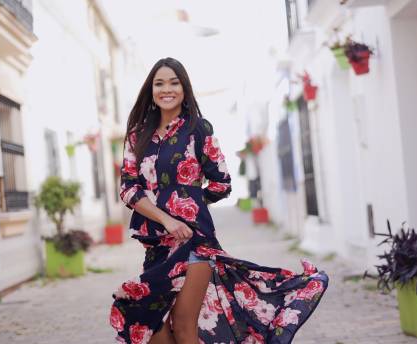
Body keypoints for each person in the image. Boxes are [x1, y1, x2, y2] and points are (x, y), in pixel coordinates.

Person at [110, 57, 328, 344]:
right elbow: (128, 188)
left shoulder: (198, 130)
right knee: (151, 328)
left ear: (184, 89)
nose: (167, 89)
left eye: (174, 82)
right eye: (159, 83)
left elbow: (221, 182)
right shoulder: (138, 135)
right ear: (150, 89)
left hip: (195, 242)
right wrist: (167, 217)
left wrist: (190, 205)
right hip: (157, 245)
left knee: (185, 328)